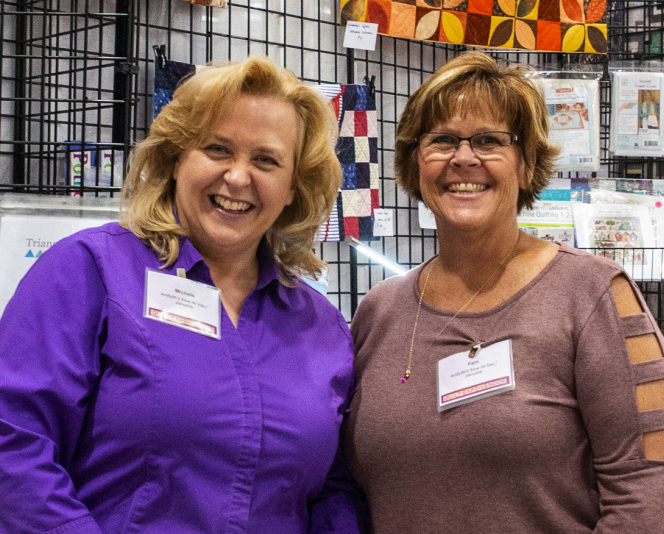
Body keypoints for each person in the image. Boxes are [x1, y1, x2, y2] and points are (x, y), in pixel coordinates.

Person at [0, 56, 366, 533]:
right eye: (217, 149)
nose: (238, 177)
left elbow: (333, 490)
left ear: (294, 185)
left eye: (266, 160)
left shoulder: (320, 327)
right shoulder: (90, 271)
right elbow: (14, 441)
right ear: (176, 159)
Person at [343, 52, 664, 533]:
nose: (464, 158)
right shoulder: (378, 311)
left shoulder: (595, 294)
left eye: (490, 141)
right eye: (442, 140)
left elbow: (648, 488)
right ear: (415, 162)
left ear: (528, 161)